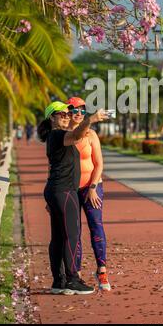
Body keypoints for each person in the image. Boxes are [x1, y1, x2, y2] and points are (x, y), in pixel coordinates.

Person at [37, 101, 108, 295]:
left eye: (68, 114)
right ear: (52, 117)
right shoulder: (58, 135)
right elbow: (76, 136)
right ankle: (72, 279)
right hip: (65, 191)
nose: (67, 116)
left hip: (56, 190)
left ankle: (58, 281)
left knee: (59, 237)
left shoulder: (54, 136)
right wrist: (91, 119)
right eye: (62, 114)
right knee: (72, 235)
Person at [67, 97, 111, 292]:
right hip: (71, 190)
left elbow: (99, 164)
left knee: (96, 227)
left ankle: (101, 269)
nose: (78, 113)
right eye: (74, 110)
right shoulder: (64, 136)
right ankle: (75, 273)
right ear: (67, 112)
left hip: (92, 188)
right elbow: (55, 167)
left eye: (82, 110)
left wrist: (93, 187)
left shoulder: (92, 135)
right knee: (73, 232)